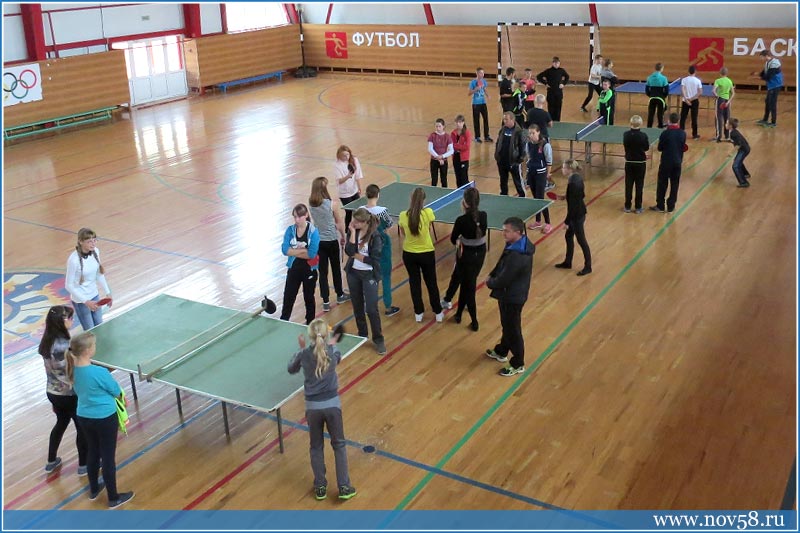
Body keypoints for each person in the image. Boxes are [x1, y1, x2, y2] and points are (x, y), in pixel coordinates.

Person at [287, 318, 357, 501]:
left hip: (313, 409)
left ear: (310, 336)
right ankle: (344, 487)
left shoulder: (304, 355)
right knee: (339, 445)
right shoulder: (333, 352)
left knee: (316, 447)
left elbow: (291, 368)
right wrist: (332, 342)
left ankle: (320, 487)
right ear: (326, 335)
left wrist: (302, 349)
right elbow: (336, 356)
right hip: (332, 406)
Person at [67, 331, 134, 509]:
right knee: (108, 457)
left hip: (84, 416)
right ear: (88, 350)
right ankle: (113, 498)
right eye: (94, 345)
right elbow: (115, 390)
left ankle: (94, 489)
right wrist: (122, 398)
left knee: (93, 451)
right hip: (105, 417)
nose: (95, 347)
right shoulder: (98, 372)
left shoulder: (72, 370)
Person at [38, 305, 87, 475]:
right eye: (70, 318)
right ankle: (83, 466)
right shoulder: (65, 346)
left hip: (53, 392)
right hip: (69, 394)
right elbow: (76, 369)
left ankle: (51, 461)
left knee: (61, 423)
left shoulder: (46, 342)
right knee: (81, 428)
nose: (72, 321)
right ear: (61, 322)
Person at [485, 217, 534, 377]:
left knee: (513, 329)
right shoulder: (516, 245)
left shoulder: (517, 256)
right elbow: (501, 264)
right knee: (507, 325)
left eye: (507, 231)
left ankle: (518, 363)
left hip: (512, 296)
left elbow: (504, 278)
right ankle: (502, 351)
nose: (503, 233)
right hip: (510, 294)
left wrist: (490, 282)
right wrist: (493, 273)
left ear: (518, 232)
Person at [441, 187, 487, 331]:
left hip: (465, 255)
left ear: (465, 203)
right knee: (467, 283)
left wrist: (460, 240)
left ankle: (474, 320)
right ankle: (458, 313)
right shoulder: (483, 215)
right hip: (480, 254)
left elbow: (453, 239)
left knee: (468, 287)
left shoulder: (461, 220)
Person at [344, 208, 386, 355]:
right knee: (357, 306)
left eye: (357, 221)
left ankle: (378, 339)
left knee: (371, 309)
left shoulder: (375, 236)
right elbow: (349, 251)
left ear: (365, 222)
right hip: (353, 273)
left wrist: (358, 256)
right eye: (353, 220)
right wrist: (352, 233)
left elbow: (374, 260)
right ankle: (362, 334)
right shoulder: (353, 231)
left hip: (369, 275)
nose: (353, 223)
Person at [399, 188, 444, 323]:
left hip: (409, 254)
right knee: (431, 283)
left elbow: (404, 233)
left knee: (414, 283)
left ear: (411, 198)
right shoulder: (428, 213)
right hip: (426, 253)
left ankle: (418, 313)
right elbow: (428, 229)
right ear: (423, 200)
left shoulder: (403, 215)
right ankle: (438, 312)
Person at [309, 177, 350, 312]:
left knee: (323, 273)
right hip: (331, 240)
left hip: (319, 242)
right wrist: (343, 236)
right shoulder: (332, 204)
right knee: (336, 269)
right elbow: (339, 222)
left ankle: (326, 301)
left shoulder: (311, 204)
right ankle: (339, 295)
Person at [280, 204, 320, 325]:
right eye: (295, 217)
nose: (297, 220)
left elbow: (311, 254)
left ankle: (310, 323)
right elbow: (285, 250)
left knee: (309, 298)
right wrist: (303, 251)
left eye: (299, 217)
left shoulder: (313, 232)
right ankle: (283, 321)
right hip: (294, 269)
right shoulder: (290, 230)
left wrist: (293, 251)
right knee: (288, 296)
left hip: (309, 270)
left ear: (306, 215)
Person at [65, 228, 111, 331]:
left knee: (99, 326)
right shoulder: (73, 260)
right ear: (80, 241)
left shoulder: (96, 251)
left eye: (95, 240)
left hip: (94, 295)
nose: (93, 244)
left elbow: (99, 274)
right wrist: (86, 302)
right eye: (89, 241)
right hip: (81, 301)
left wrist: (108, 292)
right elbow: (68, 285)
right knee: (90, 330)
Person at [364, 185, 400, 317]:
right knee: (385, 276)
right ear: (378, 195)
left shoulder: (361, 210)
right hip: (383, 245)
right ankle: (388, 306)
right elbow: (390, 224)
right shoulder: (382, 211)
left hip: (367, 246)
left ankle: (368, 306)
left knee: (369, 276)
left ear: (366, 195)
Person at [555, 160, 592, 276]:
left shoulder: (572, 184)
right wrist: (566, 196)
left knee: (582, 241)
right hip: (580, 212)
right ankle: (568, 262)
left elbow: (572, 207)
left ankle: (588, 267)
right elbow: (581, 195)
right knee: (568, 236)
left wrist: (566, 222)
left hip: (577, 216)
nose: (562, 169)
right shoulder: (577, 178)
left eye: (564, 168)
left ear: (569, 169)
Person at [651, 112, 687, 213]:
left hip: (666, 162)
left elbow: (660, 148)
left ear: (669, 121)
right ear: (678, 121)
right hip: (677, 162)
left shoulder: (665, 133)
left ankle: (660, 205)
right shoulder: (683, 133)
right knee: (675, 184)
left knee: (662, 183)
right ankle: (671, 206)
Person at [525, 124, 553, 233]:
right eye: (530, 133)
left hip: (541, 174)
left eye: (533, 133)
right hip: (531, 174)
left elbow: (549, 162)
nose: (531, 135)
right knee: (535, 198)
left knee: (540, 199)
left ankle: (548, 223)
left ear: (538, 132)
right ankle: (538, 221)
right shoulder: (528, 144)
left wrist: (547, 175)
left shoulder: (545, 145)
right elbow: (529, 158)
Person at [622, 115, 650, 213]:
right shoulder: (643, 136)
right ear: (640, 124)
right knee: (639, 185)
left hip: (629, 162)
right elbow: (646, 148)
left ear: (631, 123)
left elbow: (625, 145)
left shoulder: (626, 135)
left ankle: (627, 206)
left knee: (628, 185)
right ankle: (638, 207)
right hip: (640, 163)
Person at [494, 112, 526, 197]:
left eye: (506, 119)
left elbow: (523, 146)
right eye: (504, 119)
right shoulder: (502, 129)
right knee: (503, 181)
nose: (504, 121)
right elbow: (498, 143)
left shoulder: (519, 132)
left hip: (513, 162)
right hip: (502, 161)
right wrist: (496, 155)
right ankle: (504, 196)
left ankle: (522, 197)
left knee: (518, 182)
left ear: (512, 120)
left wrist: (519, 159)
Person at [333, 145, 363, 228]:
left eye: (348, 154)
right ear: (339, 155)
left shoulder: (354, 160)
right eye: (344, 155)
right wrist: (348, 176)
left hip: (354, 190)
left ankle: (359, 227)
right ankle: (347, 230)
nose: (346, 157)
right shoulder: (337, 165)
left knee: (358, 210)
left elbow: (358, 174)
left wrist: (359, 186)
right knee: (349, 211)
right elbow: (339, 181)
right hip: (344, 193)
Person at [752, 50, 782, 128]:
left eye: (762, 57)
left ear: (766, 56)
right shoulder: (768, 62)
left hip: (775, 85)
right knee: (768, 102)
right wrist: (757, 73)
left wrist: (757, 78)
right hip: (771, 85)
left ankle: (773, 122)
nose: (761, 59)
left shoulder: (774, 64)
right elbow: (764, 73)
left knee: (772, 103)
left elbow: (768, 77)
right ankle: (765, 120)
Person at [536, 57, 570, 122]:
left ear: (559, 63)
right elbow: (539, 76)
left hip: (559, 92)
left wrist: (563, 84)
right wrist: (545, 83)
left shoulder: (561, 70)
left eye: (558, 63)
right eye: (555, 63)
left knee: (558, 108)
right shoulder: (548, 71)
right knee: (551, 108)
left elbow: (567, 77)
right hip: (550, 92)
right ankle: (550, 121)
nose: (556, 64)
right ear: (553, 63)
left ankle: (557, 121)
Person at [427, 118, 454, 188]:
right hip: (434, 161)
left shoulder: (447, 136)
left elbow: (451, 150)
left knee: (444, 179)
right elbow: (430, 149)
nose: (438, 128)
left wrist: (442, 156)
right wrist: (438, 158)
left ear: (443, 126)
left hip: (443, 161)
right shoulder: (432, 136)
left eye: (439, 126)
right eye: (436, 126)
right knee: (434, 179)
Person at [469, 67, 493, 143]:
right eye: (481, 73)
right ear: (477, 73)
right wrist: (475, 89)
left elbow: (484, 89)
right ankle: (477, 137)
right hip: (476, 104)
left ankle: (486, 136)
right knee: (476, 120)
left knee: (486, 119)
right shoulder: (473, 82)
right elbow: (469, 93)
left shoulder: (484, 81)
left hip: (483, 103)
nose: (482, 74)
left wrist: (488, 95)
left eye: (483, 73)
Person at [679, 66, 703, 140]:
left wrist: (686, 99)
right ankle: (694, 135)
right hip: (694, 101)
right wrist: (691, 99)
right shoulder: (698, 81)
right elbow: (700, 92)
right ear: (695, 72)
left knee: (683, 117)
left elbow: (682, 90)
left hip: (685, 101)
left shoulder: (684, 80)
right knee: (694, 118)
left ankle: (681, 133)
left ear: (688, 71)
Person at [727, 118, 751, 188]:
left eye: (726, 123)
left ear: (730, 126)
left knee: (735, 166)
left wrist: (731, 153)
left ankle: (744, 182)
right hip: (746, 148)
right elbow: (736, 141)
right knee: (738, 161)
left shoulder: (733, 133)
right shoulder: (734, 131)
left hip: (743, 150)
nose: (725, 124)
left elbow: (738, 144)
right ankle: (745, 174)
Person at [712, 67, 735, 142]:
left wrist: (717, 95)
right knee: (727, 118)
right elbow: (733, 93)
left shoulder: (718, 81)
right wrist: (728, 102)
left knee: (718, 117)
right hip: (727, 100)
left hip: (720, 100)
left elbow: (713, 90)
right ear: (727, 73)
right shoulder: (729, 81)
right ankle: (727, 136)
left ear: (720, 73)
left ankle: (719, 136)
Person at [645, 63, 669, 128]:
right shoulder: (664, 78)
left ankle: (649, 128)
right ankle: (660, 127)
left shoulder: (649, 78)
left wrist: (651, 95)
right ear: (661, 69)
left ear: (655, 68)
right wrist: (663, 96)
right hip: (660, 98)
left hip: (652, 98)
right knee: (660, 114)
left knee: (651, 114)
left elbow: (647, 90)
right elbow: (666, 90)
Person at [451, 115, 472, 188]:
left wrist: (457, 146)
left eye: (460, 122)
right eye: (457, 122)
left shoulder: (467, 133)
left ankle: (468, 192)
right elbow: (452, 145)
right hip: (455, 157)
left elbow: (467, 146)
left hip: (464, 158)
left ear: (463, 123)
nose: (458, 124)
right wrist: (460, 146)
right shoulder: (453, 133)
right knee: (458, 177)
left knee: (464, 177)